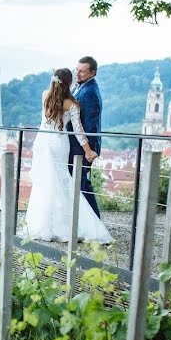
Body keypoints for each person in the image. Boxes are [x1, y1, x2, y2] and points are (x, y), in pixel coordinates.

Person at [21, 68, 112, 243]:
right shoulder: (72, 104)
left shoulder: (45, 95)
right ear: (69, 83)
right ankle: (67, 224)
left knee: (44, 183)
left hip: (42, 141)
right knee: (62, 181)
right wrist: (88, 150)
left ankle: (42, 224)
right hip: (59, 144)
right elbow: (79, 131)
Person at [67, 56, 102, 218]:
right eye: (77, 70)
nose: (78, 74)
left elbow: (91, 124)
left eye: (82, 71)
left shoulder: (90, 92)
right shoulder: (80, 87)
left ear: (92, 73)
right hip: (75, 147)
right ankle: (85, 222)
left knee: (82, 185)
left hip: (82, 149)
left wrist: (89, 150)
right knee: (79, 184)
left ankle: (94, 221)